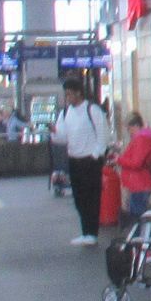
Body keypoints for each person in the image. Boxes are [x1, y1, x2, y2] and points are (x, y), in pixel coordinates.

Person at [56, 77, 115, 245]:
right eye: (66, 94)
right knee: (79, 197)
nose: (67, 98)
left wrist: (95, 155)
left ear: (78, 93)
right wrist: (54, 132)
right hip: (74, 159)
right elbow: (62, 137)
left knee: (91, 197)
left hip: (90, 160)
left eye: (69, 94)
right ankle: (85, 231)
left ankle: (92, 233)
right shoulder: (65, 113)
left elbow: (103, 135)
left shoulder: (92, 109)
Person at [111, 112, 151, 243]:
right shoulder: (145, 138)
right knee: (139, 214)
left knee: (137, 216)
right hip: (140, 182)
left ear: (135, 126)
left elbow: (136, 162)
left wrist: (119, 160)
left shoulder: (142, 139)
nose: (129, 132)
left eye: (129, 128)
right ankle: (141, 243)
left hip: (140, 183)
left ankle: (140, 245)